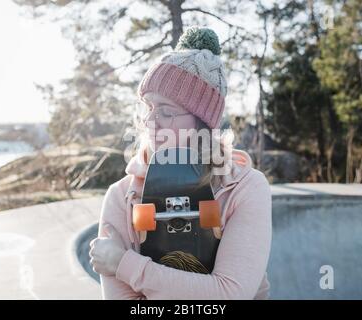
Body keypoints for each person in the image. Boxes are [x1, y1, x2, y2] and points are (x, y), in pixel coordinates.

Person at [89, 26, 272, 300]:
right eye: (147, 107)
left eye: (166, 111)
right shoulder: (121, 197)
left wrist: (123, 264)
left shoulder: (244, 187)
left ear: (202, 124)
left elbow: (229, 294)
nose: (150, 121)